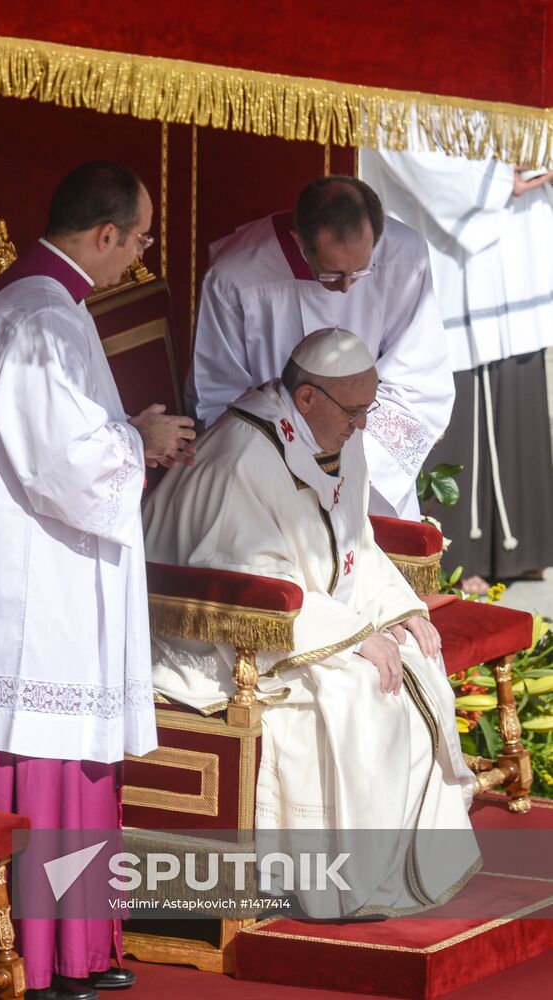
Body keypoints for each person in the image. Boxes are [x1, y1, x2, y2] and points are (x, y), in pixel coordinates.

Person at [0, 161, 196, 997]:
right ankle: (43, 954)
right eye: (137, 240)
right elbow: (64, 464)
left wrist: (124, 432)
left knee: (41, 748)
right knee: (46, 758)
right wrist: (144, 441)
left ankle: (55, 948)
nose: (136, 257)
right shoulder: (40, 316)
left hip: (21, 572)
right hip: (34, 588)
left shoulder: (18, 304)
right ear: (103, 234)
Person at [145, 328, 479, 918]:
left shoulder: (334, 433)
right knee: (360, 688)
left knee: (414, 655)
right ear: (306, 399)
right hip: (212, 632)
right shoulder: (242, 457)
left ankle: (396, 859)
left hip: (298, 609)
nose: (364, 425)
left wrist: (391, 608)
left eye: (369, 409)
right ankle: (341, 879)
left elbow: (355, 541)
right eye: (355, 411)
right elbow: (243, 574)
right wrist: (351, 635)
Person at [184, 176, 455, 520]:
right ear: (300, 242)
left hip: (369, 474)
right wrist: (289, 462)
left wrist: (349, 463)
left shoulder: (405, 257)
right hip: (272, 475)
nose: (344, 288)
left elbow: (420, 378)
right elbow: (219, 393)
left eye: (360, 272)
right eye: (331, 274)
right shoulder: (235, 275)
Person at [360, 147, 553, 588]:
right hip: (445, 241)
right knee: (446, 388)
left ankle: (522, 546)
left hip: (517, 242)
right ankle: (453, 556)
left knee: (517, 378)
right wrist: (497, 180)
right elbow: (404, 144)